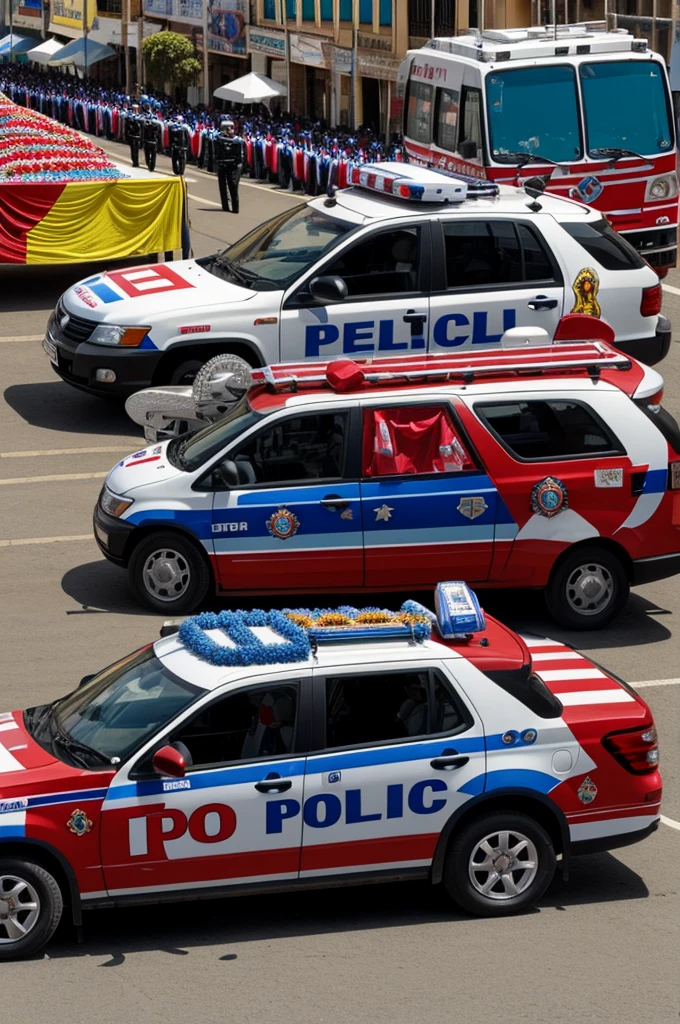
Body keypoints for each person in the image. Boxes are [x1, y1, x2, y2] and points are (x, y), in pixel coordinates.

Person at [214, 119, 244, 213]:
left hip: (233, 166)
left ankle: (235, 207)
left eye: (230, 129)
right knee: (222, 186)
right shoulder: (218, 139)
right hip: (223, 164)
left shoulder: (237, 140)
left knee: (233, 186)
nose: (228, 131)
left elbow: (240, 155)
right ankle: (225, 206)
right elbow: (216, 152)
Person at [125, 103, 142, 167]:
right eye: (134, 108)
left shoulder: (140, 116)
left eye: (136, 108)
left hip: (137, 135)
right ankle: (134, 161)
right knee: (133, 149)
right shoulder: (129, 116)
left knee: (136, 149)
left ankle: (136, 161)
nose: (135, 109)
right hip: (132, 135)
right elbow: (127, 126)